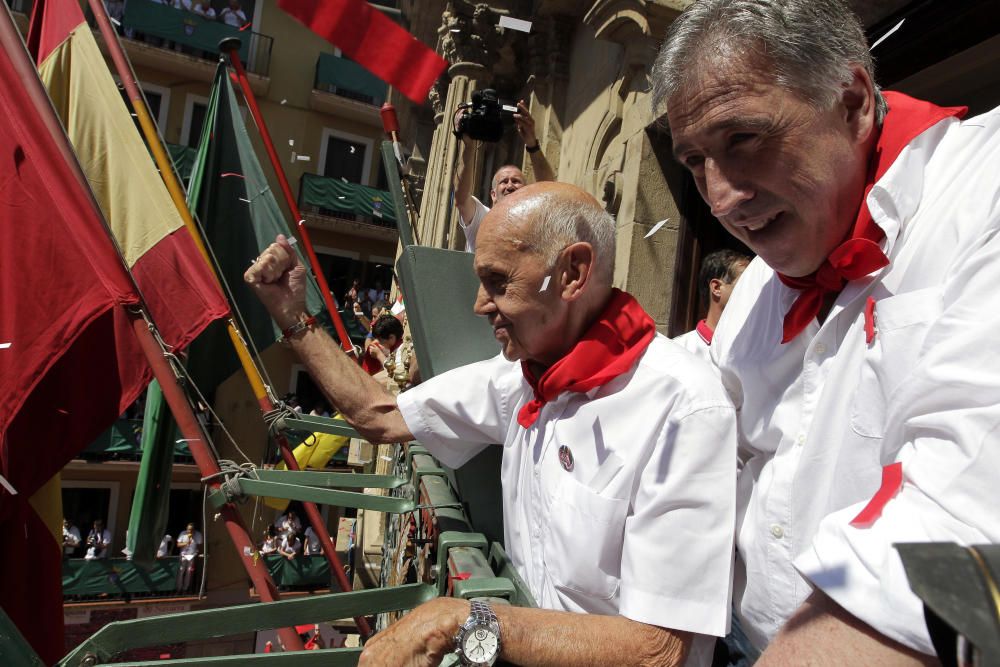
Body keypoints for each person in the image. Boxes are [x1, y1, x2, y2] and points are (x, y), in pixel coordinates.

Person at [246, 182, 737, 666]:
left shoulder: (684, 406)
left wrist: (465, 620)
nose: (480, 304)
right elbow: (381, 415)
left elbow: (661, 649)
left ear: (573, 273)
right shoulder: (521, 377)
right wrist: (293, 316)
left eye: (499, 282)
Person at [653, 0, 1000, 663]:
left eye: (742, 139)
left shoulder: (984, 190)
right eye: (695, 162)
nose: (720, 198)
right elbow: (709, 447)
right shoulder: (758, 284)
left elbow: (966, 535)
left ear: (853, 100)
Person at [453, 100, 556, 252]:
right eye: (503, 181)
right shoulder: (482, 218)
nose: (509, 186)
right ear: (493, 195)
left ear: (526, 192)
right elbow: (461, 199)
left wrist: (532, 143)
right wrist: (469, 146)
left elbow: (550, 190)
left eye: (516, 181)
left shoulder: (533, 221)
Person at [672, 249, 751, 364]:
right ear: (717, 288)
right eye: (746, 282)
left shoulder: (758, 350)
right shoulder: (678, 351)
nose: (755, 290)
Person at [175, 523, 202, 592]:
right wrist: (186, 543)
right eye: (188, 529)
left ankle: (185, 588)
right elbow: (178, 544)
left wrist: (197, 553)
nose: (188, 531)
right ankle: (179, 588)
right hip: (183, 555)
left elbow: (199, 545)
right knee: (181, 571)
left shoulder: (198, 535)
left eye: (190, 530)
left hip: (192, 555)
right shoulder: (183, 533)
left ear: (194, 530)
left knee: (189, 572)